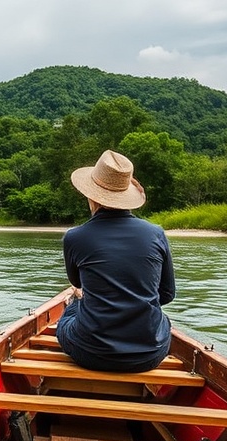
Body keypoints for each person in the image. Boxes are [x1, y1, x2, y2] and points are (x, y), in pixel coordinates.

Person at [55, 149, 176, 373]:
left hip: (90, 353)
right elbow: (167, 295)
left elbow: (78, 285)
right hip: (149, 356)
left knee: (70, 309)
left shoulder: (75, 237)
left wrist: (83, 296)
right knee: (164, 320)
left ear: (90, 195)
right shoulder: (156, 233)